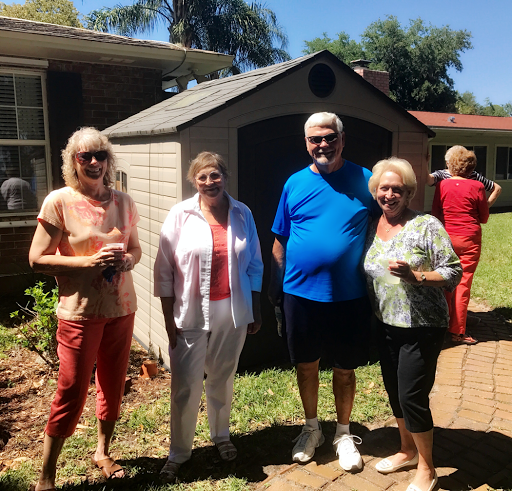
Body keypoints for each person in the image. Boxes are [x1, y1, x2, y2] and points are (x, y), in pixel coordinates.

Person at [28, 127, 142, 491]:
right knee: (71, 390)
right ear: (73, 162)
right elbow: (37, 259)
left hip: (121, 308)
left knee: (112, 383)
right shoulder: (59, 202)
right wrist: (88, 263)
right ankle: (46, 477)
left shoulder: (123, 202)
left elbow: (135, 248)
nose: (94, 162)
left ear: (109, 160)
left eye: (100, 155)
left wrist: (128, 260)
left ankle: (103, 452)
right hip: (79, 313)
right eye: (85, 156)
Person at [268, 112, 378, 471]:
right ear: (306, 144)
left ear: (342, 139)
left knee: (345, 369)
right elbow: (280, 240)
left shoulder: (366, 179)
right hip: (300, 295)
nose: (323, 145)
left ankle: (343, 433)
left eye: (330, 137)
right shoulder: (294, 183)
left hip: (350, 296)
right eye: (315, 139)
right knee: (306, 366)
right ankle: (312, 428)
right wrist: (278, 289)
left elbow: (386, 222)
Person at [154, 151, 263, 483]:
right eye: (202, 176)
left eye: (215, 175)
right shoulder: (180, 215)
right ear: (194, 181)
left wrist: (255, 309)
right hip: (188, 311)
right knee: (185, 384)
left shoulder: (242, 213)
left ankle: (221, 435)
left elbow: (255, 264)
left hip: (232, 310)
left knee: (222, 377)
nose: (209, 182)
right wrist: (168, 318)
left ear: (225, 177)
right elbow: (164, 269)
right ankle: (179, 452)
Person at [363, 157, 461, 491]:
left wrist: (416, 276)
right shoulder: (372, 225)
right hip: (385, 323)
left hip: (422, 326)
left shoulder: (426, 225)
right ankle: (406, 450)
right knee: (395, 392)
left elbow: (453, 271)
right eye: (384, 189)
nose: (389, 195)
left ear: (409, 194)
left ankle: (427, 468)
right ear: (375, 191)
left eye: (397, 190)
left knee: (412, 396)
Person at [431, 146, 489, 345]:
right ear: (470, 167)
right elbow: (484, 218)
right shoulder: (478, 187)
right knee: (463, 284)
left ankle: (442, 324)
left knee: (445, 281)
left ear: (451, 165)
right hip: (469, 240)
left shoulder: (442, 185)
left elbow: (436, 214)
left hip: (446, 238)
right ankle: (457, 331)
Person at [426, 151, 501, 208]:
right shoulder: (442, 174)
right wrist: (425, 163)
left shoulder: (473, 175)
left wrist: (485, 206)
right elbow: (429, 180)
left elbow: (497, 188)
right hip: (447, 216)